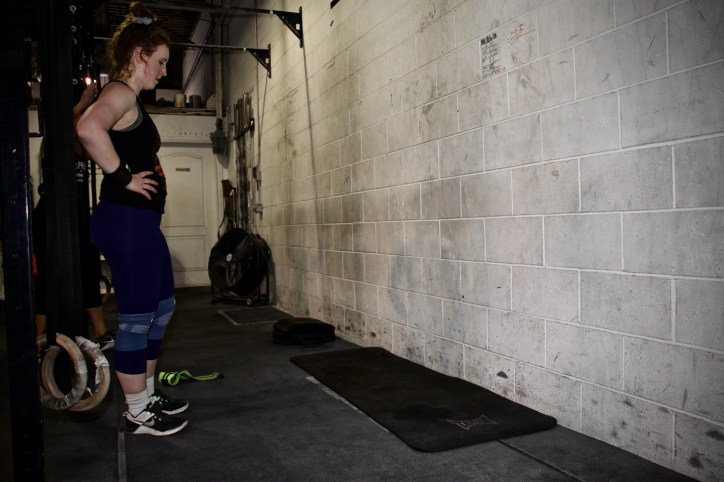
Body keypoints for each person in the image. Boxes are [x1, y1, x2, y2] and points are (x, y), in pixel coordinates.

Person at [76, 2, 187, 436]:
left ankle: (147, 394)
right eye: (160, 61)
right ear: (140, 55)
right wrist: (122, 175)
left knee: (163, 308)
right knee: (138, 318)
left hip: (140, 223)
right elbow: (88, 129)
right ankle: (137, 411)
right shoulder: (120, 92)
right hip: (125, 221)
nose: (164, 71)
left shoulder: (130, 97)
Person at [34, 82, 115, 351]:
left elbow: (97, 146)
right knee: (48, 279)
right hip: (51, 218)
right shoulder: (53, 144)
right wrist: (79, 106)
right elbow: (54, 135)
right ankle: (40, 339)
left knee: (89, 272)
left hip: (77, 217)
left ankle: (100, 333)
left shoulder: (81, 144)